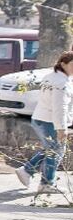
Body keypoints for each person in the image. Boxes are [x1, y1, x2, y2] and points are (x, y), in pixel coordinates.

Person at [15, 51, 73, 194]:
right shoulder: (61, 83)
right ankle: (46, 183)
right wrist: (61, 128)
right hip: (50, 121)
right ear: (63, 64)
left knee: (51, 149)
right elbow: (59, 107)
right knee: (55, 152)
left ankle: (27, 171)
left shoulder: (51, 77)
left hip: (41, 118)